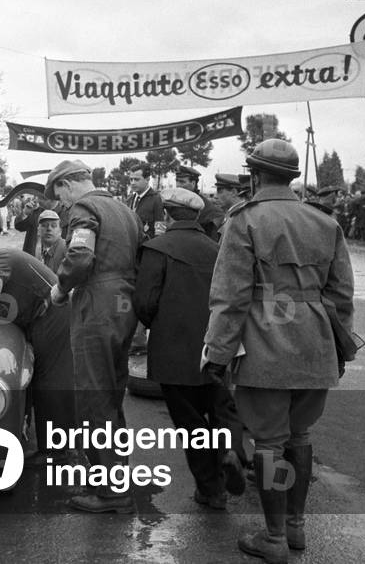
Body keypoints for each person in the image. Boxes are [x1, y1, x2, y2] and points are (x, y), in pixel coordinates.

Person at [202, 139, 354, 563]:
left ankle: (273, 539)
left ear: (254, 175)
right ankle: (295, 528)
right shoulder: (324, 222)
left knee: (268, 443)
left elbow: (229, 297)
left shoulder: (243, 220)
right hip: (315, 346)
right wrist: (339, 348)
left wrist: (216, 352)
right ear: (292, 177)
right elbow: (342, 296)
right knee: (300, 436)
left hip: (263, 346)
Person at [133, 188, 246, 511]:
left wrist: (156, 324)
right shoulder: (216, 249)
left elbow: (144, 302)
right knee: (222, 406)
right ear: (197, 216)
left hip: (174, 350)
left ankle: (212, 490)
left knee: (191, 423)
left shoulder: (156, 248)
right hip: (217, 345)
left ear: (167, 214)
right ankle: (233, 450)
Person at [45, 159, 144, 514]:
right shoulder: (125, 209)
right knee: (112, 395)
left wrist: (60, 287)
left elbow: (81, 254)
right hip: (125, 303)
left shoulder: (85, 208)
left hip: (97, 304)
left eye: (60, 195)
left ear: (68, 185)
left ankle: (110, 491)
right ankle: (117, 478)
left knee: (93, 397)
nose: (62, 204)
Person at [0, 247, 75, 457]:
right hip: (39, 318)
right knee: (40, 380)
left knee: (51, 381)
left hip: (54, 313)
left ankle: (57, 451)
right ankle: (50, 441)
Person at [175, 165, 224, 240]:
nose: (178, 185)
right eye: (177, 181)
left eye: (182, 182)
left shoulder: (206, 206)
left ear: (193, 183)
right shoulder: (174, 203)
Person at [127, 162, 163, 240]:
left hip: (147, 246)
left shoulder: (156, 199)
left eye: (136, 179)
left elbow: (160, 232)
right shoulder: (130, 199)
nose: (132, 183)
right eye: (131, 179)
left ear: (147, 179)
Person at [34, 208, 67, 273]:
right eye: (44, 225)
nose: (49, 228)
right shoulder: (39, 250)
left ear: (60, 231)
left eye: (53, 226)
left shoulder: (66, 250)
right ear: (38, 230)